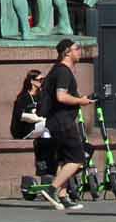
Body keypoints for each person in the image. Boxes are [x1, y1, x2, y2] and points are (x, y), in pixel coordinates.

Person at [35, 38, 92, 210]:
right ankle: (53, 189)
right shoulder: (63, 71)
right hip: (62, 121)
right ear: (67, 51)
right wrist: (80, 101)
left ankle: (63, 196)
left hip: (56, 121)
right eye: (77, 48)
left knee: (65, 160)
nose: (80, 51)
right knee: (77, 159)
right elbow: (61, 97)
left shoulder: (58, 71)